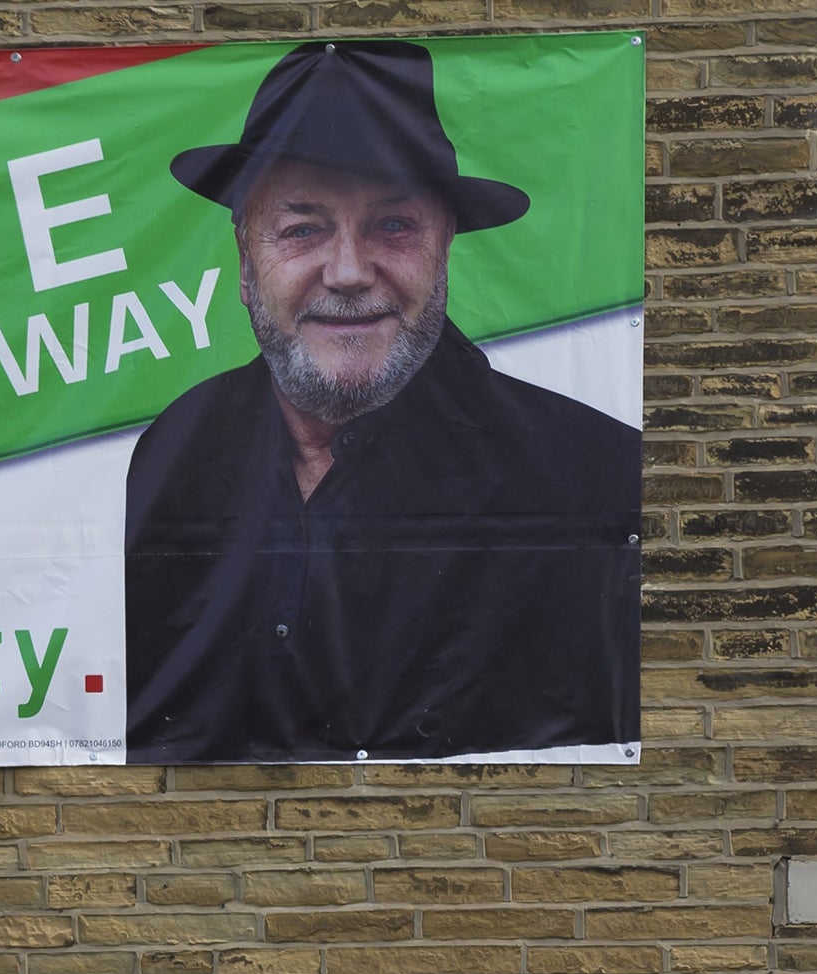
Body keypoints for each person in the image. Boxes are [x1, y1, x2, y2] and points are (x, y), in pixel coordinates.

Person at [124, 39, 641, 764]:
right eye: (302, 229)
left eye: (393, 226)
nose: (348, 272)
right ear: (245, 263)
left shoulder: (599, 477)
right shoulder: (178, 447)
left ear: (445, 249)